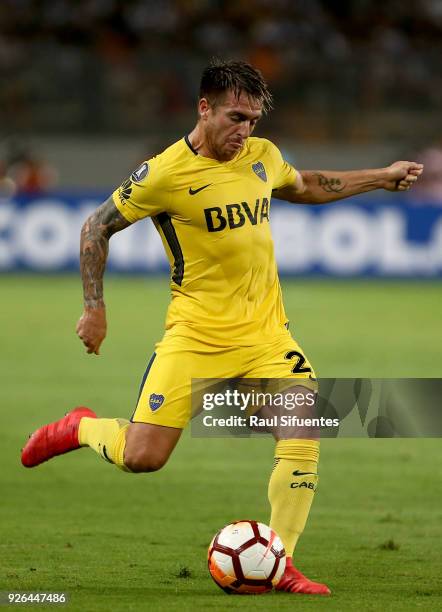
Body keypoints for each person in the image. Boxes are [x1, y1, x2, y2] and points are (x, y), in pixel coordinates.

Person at [21, 60, 423, 596]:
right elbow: (96, 225)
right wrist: (94, 307)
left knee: (302, 428)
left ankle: (280, 563)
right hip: (195, 337)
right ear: (204, 108)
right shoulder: (164, 173)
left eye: (253, 120)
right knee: (143, 457)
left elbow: (303, 185)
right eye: (236, 117)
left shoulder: (262, 156)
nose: (245, 131)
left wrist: (380, 176)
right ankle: (81, 427)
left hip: (266, 336)